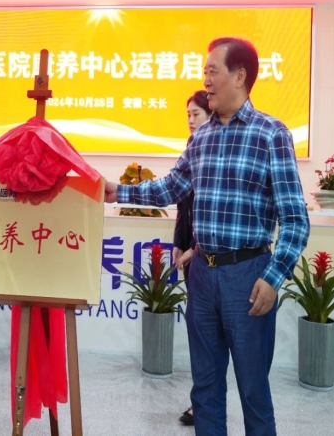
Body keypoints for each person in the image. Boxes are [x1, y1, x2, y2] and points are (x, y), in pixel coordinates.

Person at [105, 37, 310, 436]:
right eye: (205, 72)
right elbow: (171, 188)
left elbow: (295, 219)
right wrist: (118, 192)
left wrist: (273, 277)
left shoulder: (271, 134)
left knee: (253, 390)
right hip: (201, 274)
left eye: (212, 71)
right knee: (205, 390)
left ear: (240, 76)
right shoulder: (201, 137)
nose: (206, 81)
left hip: (247, 276)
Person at [172, 90, 212, 427]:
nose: (190, 119)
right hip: (190, 254)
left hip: (207, 257)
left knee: (208, 340)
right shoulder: (191, 148)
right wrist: (177, 243)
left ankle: (204, 406)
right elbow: (183, 204)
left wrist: (194, 248)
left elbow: (210, 212)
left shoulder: (214, 150)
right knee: (199, 337)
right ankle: (202, 403)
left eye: (196, 113)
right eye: (187, 114)